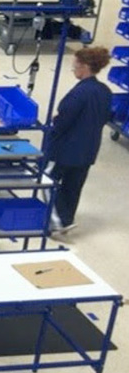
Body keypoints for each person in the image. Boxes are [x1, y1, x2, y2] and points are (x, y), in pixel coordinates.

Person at [47, 47, 113, 234]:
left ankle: (57, 221)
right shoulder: (104, 91)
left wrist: (55, 123)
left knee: (46, 180)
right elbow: (106, 117)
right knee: (73, 186)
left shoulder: (79, 93)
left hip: (65, 149)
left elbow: (64, 120)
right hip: (88, 149)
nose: (74, 70)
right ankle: (67, 218)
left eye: (75, 66)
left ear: (84, 67)